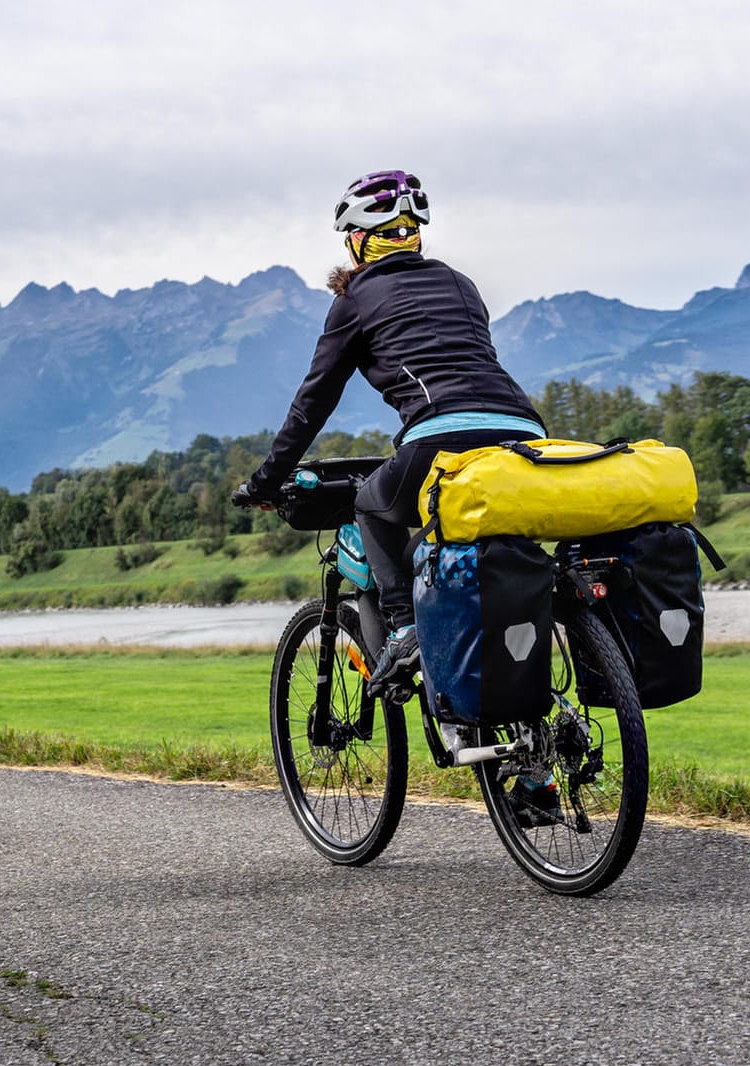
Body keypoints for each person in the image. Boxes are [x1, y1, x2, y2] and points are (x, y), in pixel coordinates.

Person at [231, 170, 546, 699]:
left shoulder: (356, 296)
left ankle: (403, 628)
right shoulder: (459, 282)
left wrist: (267, 481)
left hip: (442, 436)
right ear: (414, 232)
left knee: (371, 503)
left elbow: (313, 402)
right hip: (525, 433)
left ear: (356, 241)